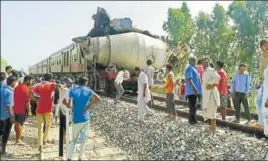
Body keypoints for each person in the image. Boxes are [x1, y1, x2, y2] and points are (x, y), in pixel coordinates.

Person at [66, 77, 100, 160]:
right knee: (83, 139)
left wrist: (65, 103)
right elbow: (98, 99)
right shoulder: (89, 90)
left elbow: (70, 106)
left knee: (74, 140)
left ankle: (69, 157)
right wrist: (88, 107)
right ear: (86, 82)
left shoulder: (72, 91)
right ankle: (80, 157)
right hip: (86, 118)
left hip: (76, 119)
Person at [32, 73, 62, 152]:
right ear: (51, 79)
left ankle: (39, 144)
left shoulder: (38, 85)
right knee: (48, 125)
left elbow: (31, 92)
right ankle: (44, 141)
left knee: (39, 127)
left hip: (39, 109)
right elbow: (60, 86)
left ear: (43, 78)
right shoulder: (52, 84)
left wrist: (37, 100)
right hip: (48, 109)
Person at [202, 58, 221, 133]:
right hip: (207, 93)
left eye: (205, 63)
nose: (203, 64)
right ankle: (212, 127)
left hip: (211, 93)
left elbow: (218, 77)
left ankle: (214, 128)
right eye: (203, 63)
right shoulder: (206, 71)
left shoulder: (211, 70)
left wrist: (212, 85)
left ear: (208, 63)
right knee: (210, 111)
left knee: (212, 111)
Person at [0, 76, 17, 156]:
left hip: (1, 115)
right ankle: (3, 151)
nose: (16, 83)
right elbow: (8, 106)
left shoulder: (2, 89)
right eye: (15, 82)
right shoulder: (10, 92)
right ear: (13, 82)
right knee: (6, 134)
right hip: (6, 117)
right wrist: (12, 117)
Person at [13, 75, 33, 144]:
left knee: (17, 122)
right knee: (20, 123)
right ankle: (18, 139)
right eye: (31, 81)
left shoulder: (17, 87)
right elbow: (27, 102)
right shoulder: (26, 89)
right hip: (22, 108)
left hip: (16, 107)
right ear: (28, 80)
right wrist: (29, 111)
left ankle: (18, 136)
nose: (31, 82)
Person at [185, 55, 202, 124]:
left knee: (194, 105)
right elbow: (189, 79)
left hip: (194, 90)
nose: (195, 62)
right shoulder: (189, 68)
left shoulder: (193, 68)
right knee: (192, 106)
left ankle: (193, 119)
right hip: (191, 90)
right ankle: (192, 120)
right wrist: (194, 88)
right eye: (194, 60)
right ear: (191, 61)